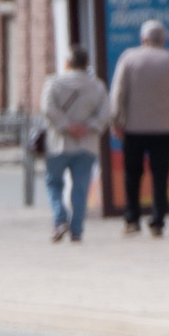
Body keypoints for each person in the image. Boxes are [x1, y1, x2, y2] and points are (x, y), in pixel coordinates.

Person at [110, 18, 169, 238]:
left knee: (132, 175)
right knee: (160, 175)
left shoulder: (129, 58)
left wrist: (117, 121)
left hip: (134, 129)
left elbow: (118, 93)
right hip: (163, 128)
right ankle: (158, 221)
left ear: (143, 38)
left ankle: (132, 218)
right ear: (163, 39)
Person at [39, 46, 109, 245]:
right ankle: (77, 230)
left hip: (58, 144)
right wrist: (88, 127)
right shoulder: (97, 86)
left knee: (54, 184)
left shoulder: (54, 83)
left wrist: (67, 126)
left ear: (67, 63)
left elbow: (47, 108)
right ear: (87, 64)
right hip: (86, 145)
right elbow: (106, 113)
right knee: (80, 188)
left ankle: (60, 220)